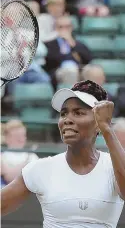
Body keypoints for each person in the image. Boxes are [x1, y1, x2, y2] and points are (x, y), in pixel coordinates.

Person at [1, 80, 125, 228]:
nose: (67, 120)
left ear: (97, 123)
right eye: (63, 113)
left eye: (78, 113)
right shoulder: (40, 168)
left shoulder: (114, 166)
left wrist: (106, 128)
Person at [43, 15, 92, 91]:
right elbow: (50, 62)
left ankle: (93, 100)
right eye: (61, 27)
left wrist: (72, 44)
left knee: (93, 71)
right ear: (56, 28)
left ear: (71, 28)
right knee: (71, 71)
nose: (64, 30)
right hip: (59, 70)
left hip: (78, 68)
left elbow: (88, 59)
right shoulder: (49, 44)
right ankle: (72, 100)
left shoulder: (77, 43)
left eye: (67, 27)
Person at [1, 119, 38, 185]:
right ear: (7, 138)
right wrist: (26, 162)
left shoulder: (32, 156)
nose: (21, 139)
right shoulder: (2, 156)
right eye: (17, 136)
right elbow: (10, 178)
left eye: (23, 135)